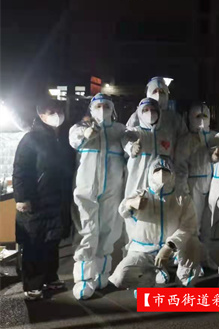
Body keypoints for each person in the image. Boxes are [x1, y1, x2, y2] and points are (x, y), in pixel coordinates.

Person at [13, 98, 75, 300]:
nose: (57, 115)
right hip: (36, 200)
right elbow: (21, 169)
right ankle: (33, 284)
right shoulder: (31, 139)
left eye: (58, 110)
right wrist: (22, 197)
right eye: (51, 111)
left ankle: (50, 278)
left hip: (57, 200)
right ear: (41, 115)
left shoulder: (63, 138)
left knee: (52, 241)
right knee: (34, 243)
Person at [68, 93, 129, 300]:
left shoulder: (119, 130)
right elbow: (74, 140)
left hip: (112, 188)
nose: (102, 109)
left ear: (113, 109)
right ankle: (84, 278)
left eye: (106, 106)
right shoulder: (80, 128)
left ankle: (102, 273)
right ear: (91, 109)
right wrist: (86, 133)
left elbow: (129, 147)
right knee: (87, 229)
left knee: (109, 229)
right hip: (87, 188)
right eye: (98, 106)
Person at [110, 157, 199, 290]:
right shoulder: (142, 194)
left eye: (165, 170)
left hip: (172, 251)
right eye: (157, 170)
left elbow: (188, 226)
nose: (161, 174)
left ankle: (184, 284)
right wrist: (131, 203)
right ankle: (149, 279)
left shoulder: (182, 198)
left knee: (193, 244)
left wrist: (170, 246)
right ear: (150, 173)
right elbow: (123, 210)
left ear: (172, 174)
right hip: (144, 250)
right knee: (120, 278)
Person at [174, 102, 217, 266]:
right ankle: (189, 259)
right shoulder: (185, 140)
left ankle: (206, 256)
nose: (201, 119)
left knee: (209, 222)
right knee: (193, 222)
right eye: (197, 116)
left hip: (212, 183)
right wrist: (182, 188)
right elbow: (180, 166)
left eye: (204, 116)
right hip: (193, 183)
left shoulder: (214, 136)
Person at [123, 98, 175, 199]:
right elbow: (125, 140)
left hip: (159, 180)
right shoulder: (136, 132)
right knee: (136, 204)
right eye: (145, 110)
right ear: (140, 113)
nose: (150, 113)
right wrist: (131, 148)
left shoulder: (166, 134)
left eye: (153, 110)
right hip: (139, 179)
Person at [125, 77, 188, 158]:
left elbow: (185, 140)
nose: (158, 95)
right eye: (154, 91)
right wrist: (131, 148)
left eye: (162, 92)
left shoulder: (175, 118)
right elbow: (127, 138)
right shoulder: (137, 116)